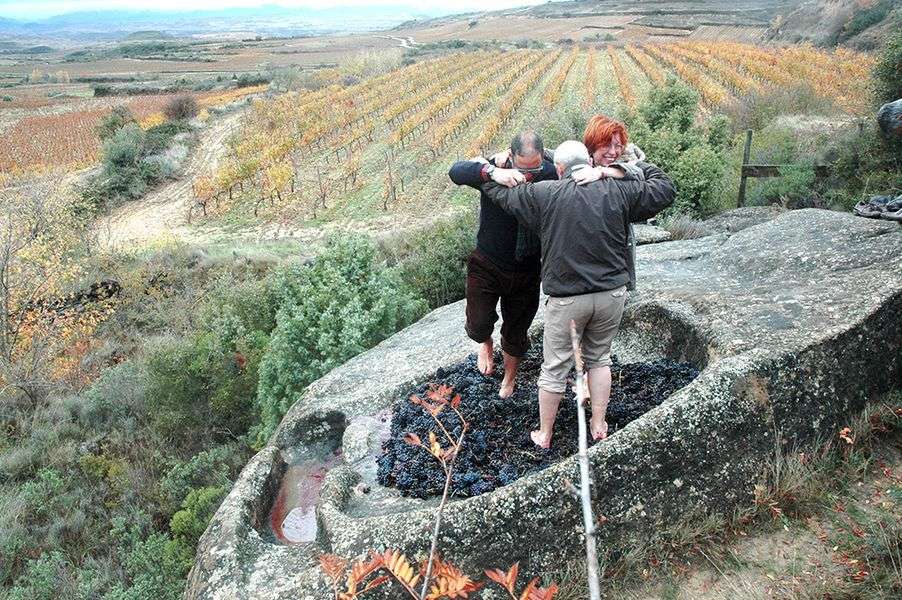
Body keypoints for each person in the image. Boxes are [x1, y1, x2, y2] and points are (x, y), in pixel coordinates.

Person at [480, 140, 675, 448]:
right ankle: (598, 424)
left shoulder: (545, 194)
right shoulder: (618, 189)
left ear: (558, 169)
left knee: (554, 368)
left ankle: (544, 434)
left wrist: (492, 170)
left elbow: (501, 195)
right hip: (612, 294)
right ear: (590, 161)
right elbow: (664, 189)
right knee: (599, 360)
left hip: (568, 299)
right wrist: (627, 165)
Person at [448, 131, 557, 398]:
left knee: (516, 332)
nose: (527, 176)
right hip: (488, 262)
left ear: (543, 157)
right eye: (522, 169)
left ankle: (509, 380)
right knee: (478, 321)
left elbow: (578, 166)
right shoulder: (496, 167)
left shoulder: (551, 171)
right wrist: (492, 172)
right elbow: (456, 171)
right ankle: (484, 343)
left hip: (528, 268)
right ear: (510, 156)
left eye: (535, 168)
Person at [580, 115, 646, 290]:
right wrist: (508, 153)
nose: (613, 152)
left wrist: (604, 172)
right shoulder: (578, 164)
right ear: (592, 145)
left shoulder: (623, 168)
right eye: (606, 144)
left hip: (616, 258)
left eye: (617, 146)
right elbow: (548, 153)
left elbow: (638, 171)